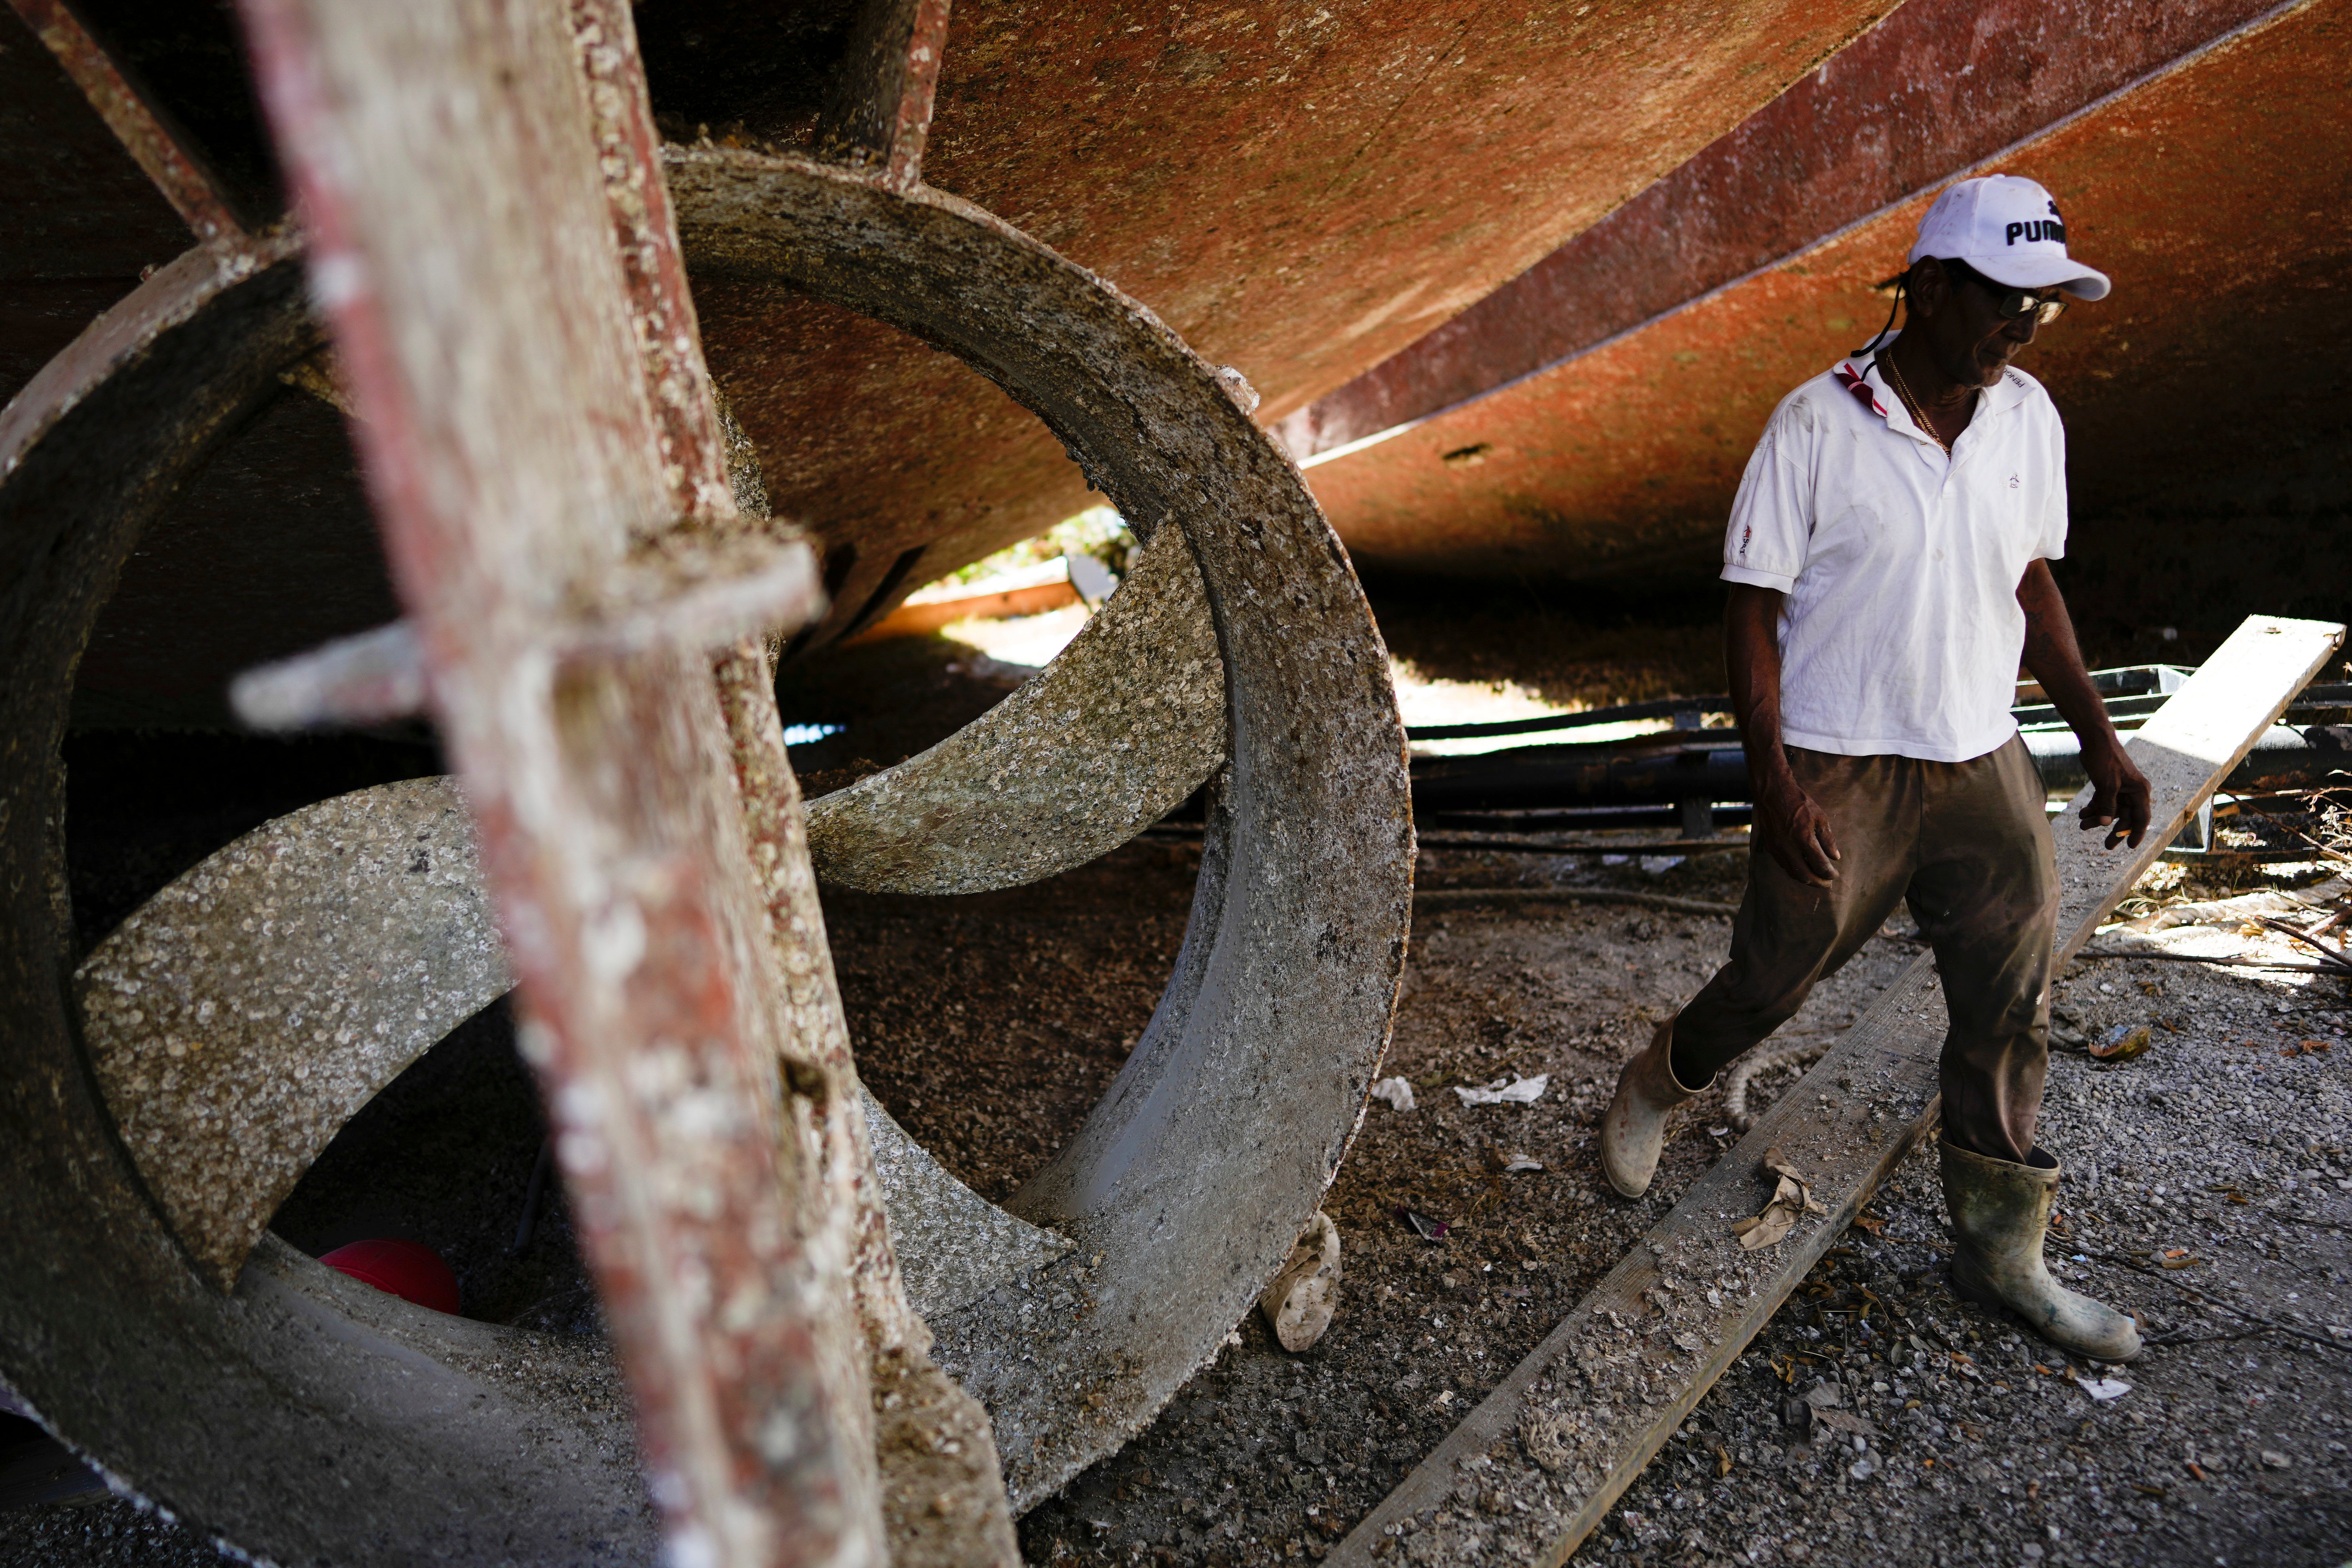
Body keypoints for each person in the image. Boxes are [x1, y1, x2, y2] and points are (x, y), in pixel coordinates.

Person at [1599, 174, 2153, 1362]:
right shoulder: (1815, 422)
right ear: (1934, 287)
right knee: (1774, 977)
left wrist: (2098, 737)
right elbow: (1752, 611)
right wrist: (1773, 778)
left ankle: (2004, 1252)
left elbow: (2031, 580)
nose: (2024, 328)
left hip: (1980, 754)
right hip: (1842, 755)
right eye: (2009, 302)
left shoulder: (2028, 417)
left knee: (2011, 1003)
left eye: (2045, 310)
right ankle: (1661, 1079)